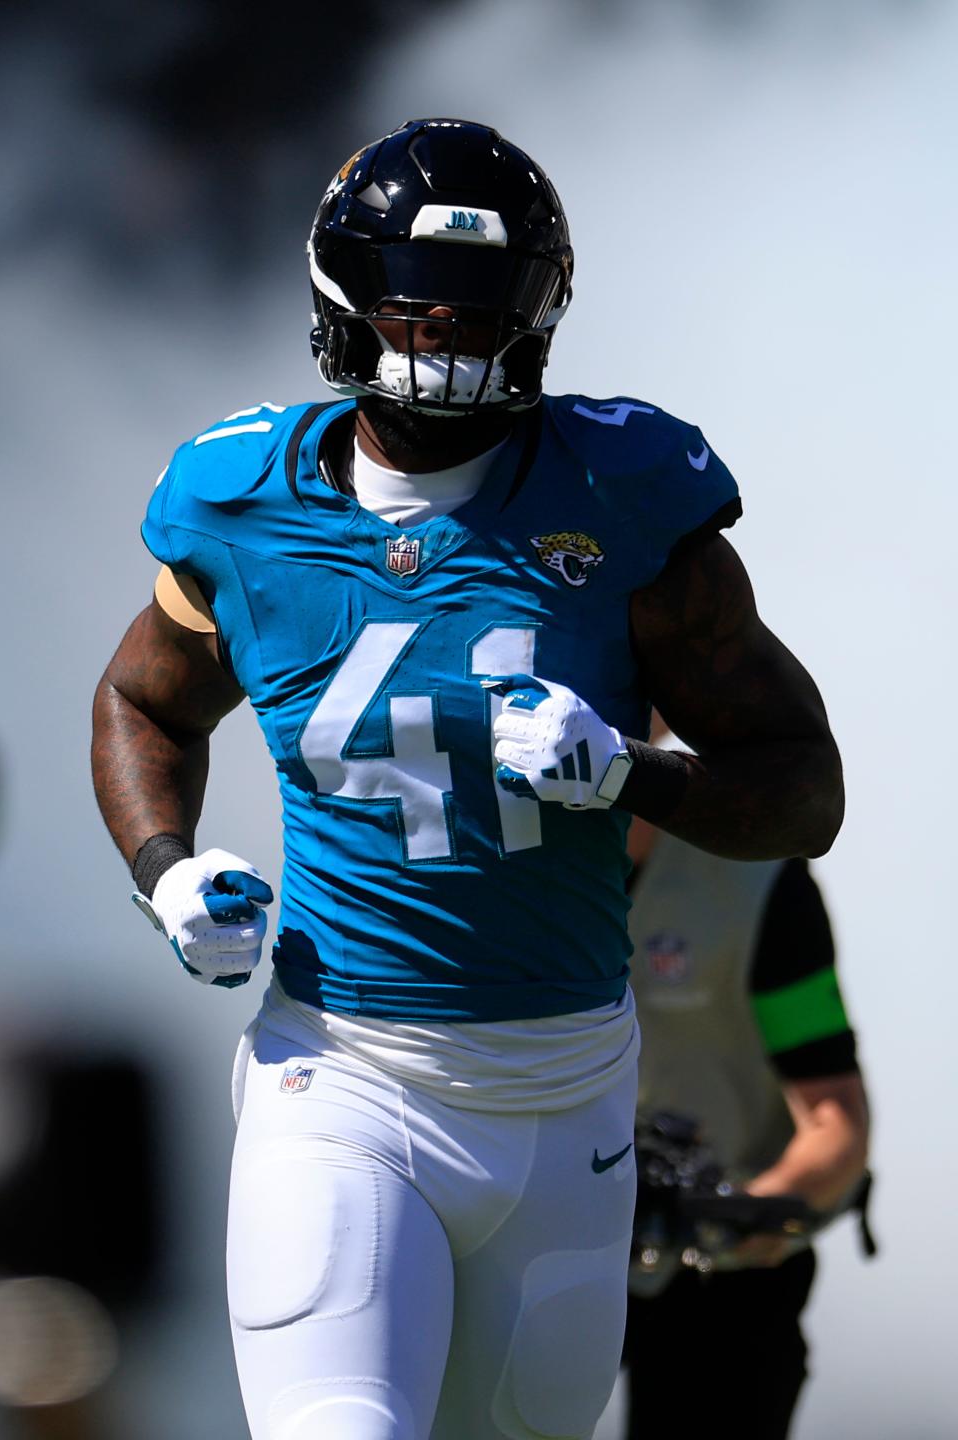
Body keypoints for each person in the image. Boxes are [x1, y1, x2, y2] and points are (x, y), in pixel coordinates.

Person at [90, 118, 844, 1440]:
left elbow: (801, 788)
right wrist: (168, 870)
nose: (452, 350)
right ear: (346, 310)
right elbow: (144, 699)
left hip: (566, 1098)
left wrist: (630, 775)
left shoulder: (624, 497)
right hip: (341, 1071)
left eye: (483, 321)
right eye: (420, 318)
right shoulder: (246, 500)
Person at [622, 801, 871, 1440]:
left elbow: (834, 1117)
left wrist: (754, 1207)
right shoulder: (461, 880)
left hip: (715, 1277)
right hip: (520, 1256)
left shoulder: (752, 883)